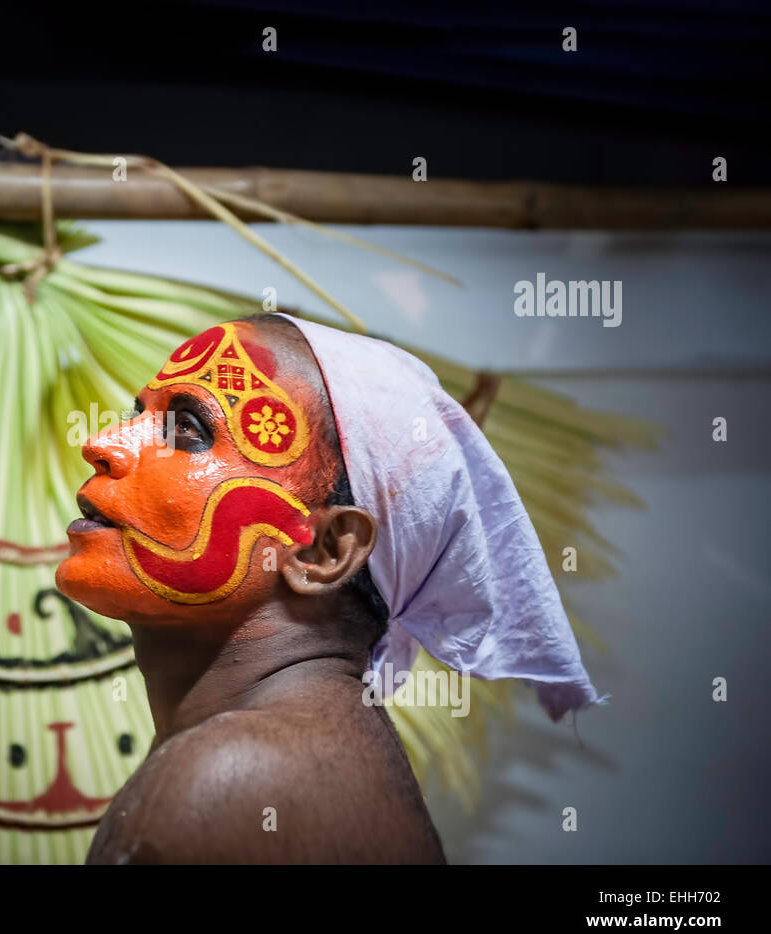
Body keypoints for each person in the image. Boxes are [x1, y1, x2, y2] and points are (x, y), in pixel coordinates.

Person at [56, 312, 602, 864]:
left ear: (326, 552)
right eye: (137, 414)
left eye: (188, 430)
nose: (103, 443)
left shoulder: (230, 779)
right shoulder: (289, 752)